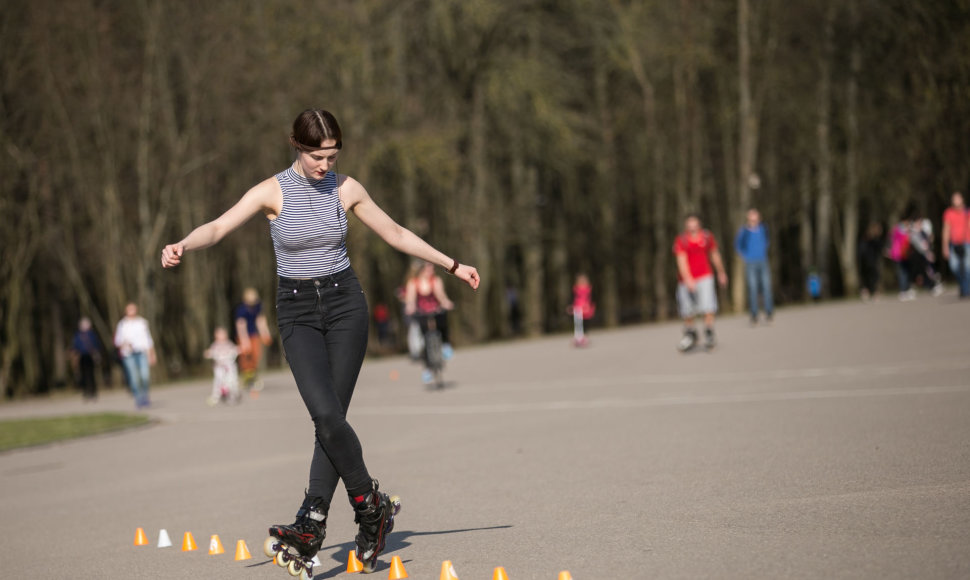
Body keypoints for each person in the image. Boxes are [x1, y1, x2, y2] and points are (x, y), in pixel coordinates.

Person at [160, 109, 480, 573]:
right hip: (296, 313)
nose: (325, 165)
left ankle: (311, 521)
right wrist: (183, 245)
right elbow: (217, 226)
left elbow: (394, 233)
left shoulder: (346, 189)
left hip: (345, 304)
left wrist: (452, 264)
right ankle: (372, 506)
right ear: (296, 145)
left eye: (332, 156)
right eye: (317, 156)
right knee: (325, 414)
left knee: (332, 420)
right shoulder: (271, 192)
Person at [673, 214, 728, 351]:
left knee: (708, 306)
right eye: (689, 225)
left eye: (694, 225)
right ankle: (690, 334)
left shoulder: (707, 237)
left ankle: (709, 332)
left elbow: (714, 254)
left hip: (705, 276)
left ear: (699, 225)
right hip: (686, 280)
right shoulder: (682, 240)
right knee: (687, 309)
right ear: (686, 226)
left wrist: (721, 272)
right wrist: (688, 279)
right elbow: (681, 260)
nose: (692, 228)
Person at [404, 260, 456, 384]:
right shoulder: (413, 283)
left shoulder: (436, 281)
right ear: (422, 270)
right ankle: (427, 368)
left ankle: (445, 344)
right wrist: (410, 307)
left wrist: (446, 303)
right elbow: (410, 299)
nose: (432, 271)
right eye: (429, 268)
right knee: (424, 337)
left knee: (442, 320)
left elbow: (441, 296)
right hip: (422, 312)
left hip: (435, 310)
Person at [734, 208, 774, 325]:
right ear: (748, 218)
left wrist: (763, 250)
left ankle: (768, 312)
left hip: (763, 261)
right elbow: (738, 245)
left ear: (759, 217)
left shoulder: (763, 228)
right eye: (751, 216)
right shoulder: (744, 231)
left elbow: (767, 241)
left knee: (766, 287)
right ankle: (754, 314)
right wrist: (745, 256)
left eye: (755, 216)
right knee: (753, 288)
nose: (753, 219)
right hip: (750, 262)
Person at [113, 302, 156, 408]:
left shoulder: (142, 322)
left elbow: (148, 339)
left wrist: (152, 354)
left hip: (141, 352)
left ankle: (145, 396)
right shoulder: (122, 324)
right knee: (134, 378)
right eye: (129, 309)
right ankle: (139, 399)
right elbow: (117, 341)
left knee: (145, 376)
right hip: (129, 354)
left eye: (133, 309)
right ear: (126, 311)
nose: (132, 311)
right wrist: (124, 344)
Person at [234, 287, 272, 390]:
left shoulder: (258, 307)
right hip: (244, 336)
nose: (253, 298)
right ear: (245, 297)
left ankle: (252, 376)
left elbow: (260, 321)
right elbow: (241, 325)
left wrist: (265, 334)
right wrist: (245, 341)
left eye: (254, 295)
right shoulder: (241, 309)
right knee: (246, 356)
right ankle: (245, 377)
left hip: (254, 335)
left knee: (256, 354)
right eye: (250, 295)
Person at [942, 191, 970, 298]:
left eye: (957, 198)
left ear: (962, 199)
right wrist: (945, 247)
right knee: (954, 266)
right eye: (953, 199)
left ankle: (966, 290)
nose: (955, 201)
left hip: (967, 242)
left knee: (967, 267)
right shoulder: (948, 213)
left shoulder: (967, 212)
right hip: (954, 244)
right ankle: (964, 286)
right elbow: (946, 230)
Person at [204, 326, 240, 405]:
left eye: (223, 334)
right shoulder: (215, 345)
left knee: (231, 381)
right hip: (219, 368)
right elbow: (211, 352)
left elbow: (234, 350)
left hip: (229, 367)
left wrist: (238, 350)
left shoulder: (228, 344)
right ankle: (215, 396)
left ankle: (233, 395)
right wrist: (208, 353)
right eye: (219, 334)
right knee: (218, 381)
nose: (221, 336)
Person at [71, 317, 102, 401]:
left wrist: (96, 353)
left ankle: (93, 392)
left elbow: (96, 345)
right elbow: (75, 346)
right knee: (84, 375)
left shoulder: (92, 334)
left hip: (90, 356)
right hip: (82, 357)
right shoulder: (78, 335)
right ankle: (86, 392)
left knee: (91, 375)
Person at [887, 218, 915, 301]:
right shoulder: (898, 230)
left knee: (906, 272)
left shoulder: (902, 230)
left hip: (905, 254)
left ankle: (907, 289)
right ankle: (903, 291)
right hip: (899, 254)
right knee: (902, 272)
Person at [858, 222, 884, 302]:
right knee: (871, 278)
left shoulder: (872, 240)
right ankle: (870, 293)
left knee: (872, 278)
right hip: (868, 262)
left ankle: (870, 293)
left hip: (870, 261)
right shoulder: (869, 240)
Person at [569, 274, 595, 347]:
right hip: (577, 309)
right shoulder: (575, 290)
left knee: (585, 323)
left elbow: (591, 299)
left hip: (586, 309)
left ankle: (584, 337)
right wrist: (571, 306)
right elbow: (572, 299)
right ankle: (578, 337)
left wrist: (590, 306)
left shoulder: (589, 290)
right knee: (577, 323)